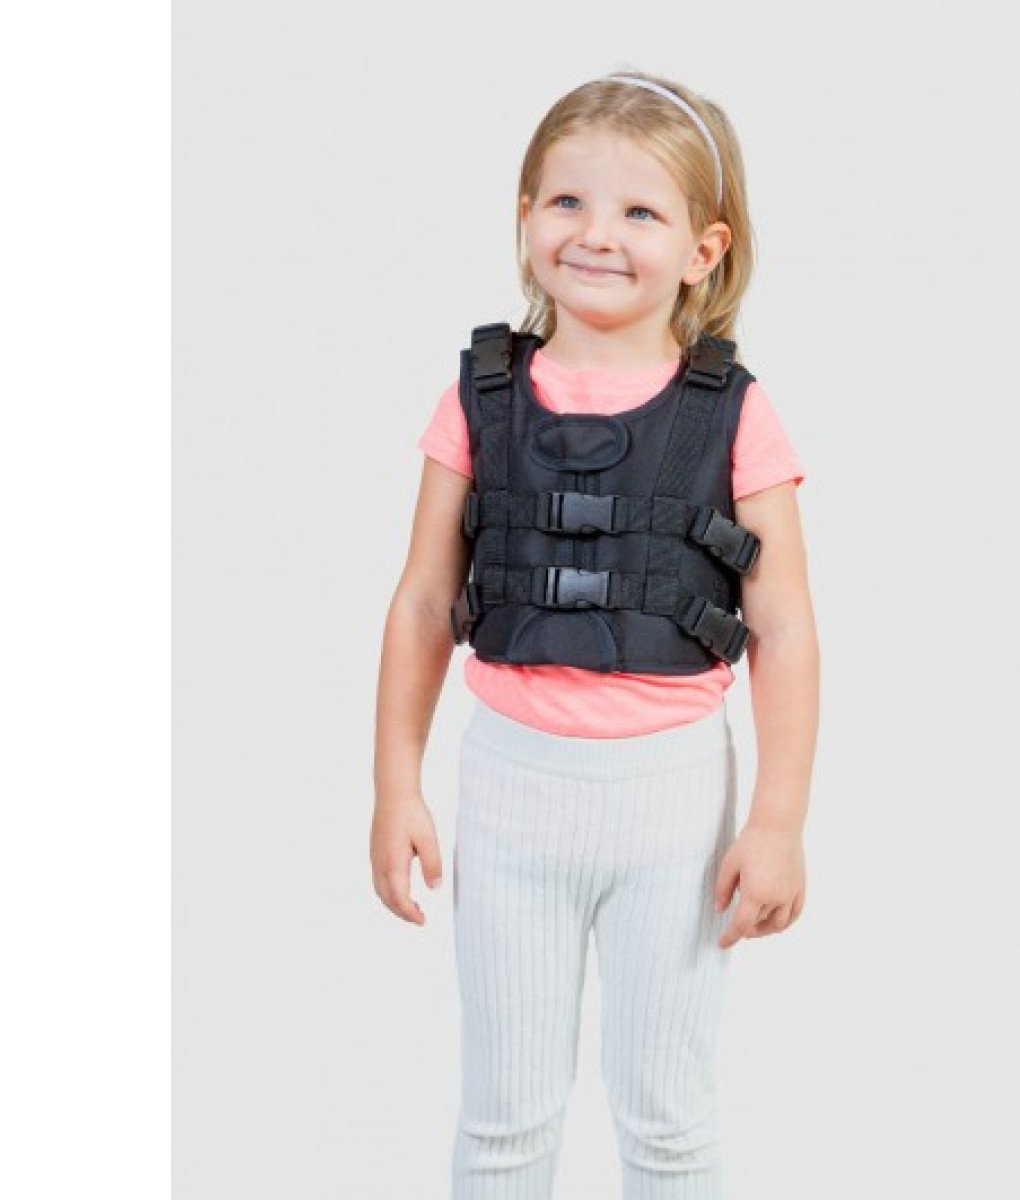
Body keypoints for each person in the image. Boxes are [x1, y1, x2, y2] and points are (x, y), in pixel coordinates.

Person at [371, 69, 820, 1200]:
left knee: (669, 1125)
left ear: (704, 250)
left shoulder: (736, 414)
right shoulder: (478, 399)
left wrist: (776, 822)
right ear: (525, 218)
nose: (597, 235)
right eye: (567, 201)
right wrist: (395, 786)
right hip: (509, 795)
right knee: (504, 1124)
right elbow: (422, 600)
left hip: (675, 807)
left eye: (640, 211)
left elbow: (784, 627)